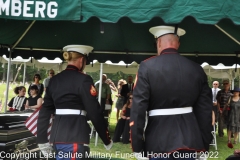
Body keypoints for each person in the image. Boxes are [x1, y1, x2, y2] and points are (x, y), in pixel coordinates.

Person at [130, 26, 212, 160]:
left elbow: (138, 108)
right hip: (189, 141)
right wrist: (204, 145)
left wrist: (137, 146)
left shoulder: (147, 67)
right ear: (178, 44)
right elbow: (204, 111)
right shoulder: (196, 69)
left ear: (159, 42)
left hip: (158, 141)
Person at [37, 45, 112, 159]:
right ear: (82, 60)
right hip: (75, 135)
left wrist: (42, 139)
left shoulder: (54, 80)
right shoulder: (84, 79)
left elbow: (45, 110)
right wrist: (106, 139)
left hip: (56, 137)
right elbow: (94, 111)